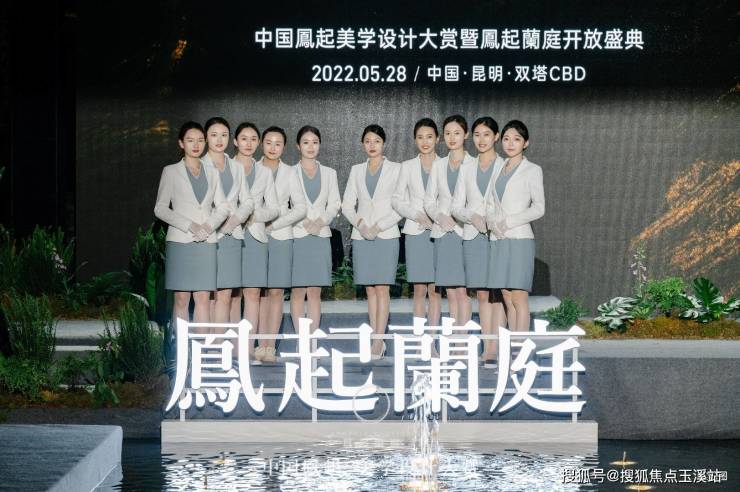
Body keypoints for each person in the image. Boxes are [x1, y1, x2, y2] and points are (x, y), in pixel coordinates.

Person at [154, 121, 229, 325]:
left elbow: (223, 207)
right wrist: (190, 225)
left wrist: (208, 226)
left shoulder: (213, 172)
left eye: (200, 140)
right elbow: (160, 208)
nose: (196, 145)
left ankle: (201, 345)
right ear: (181, 143)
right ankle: (180, 345)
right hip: (180, 241)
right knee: (181, 298)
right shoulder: (171, 171)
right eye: (190, 140)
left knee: (203, 298)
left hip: (207, 242)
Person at [342, 124, 401, 359]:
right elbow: (347, 205)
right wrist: (361, 225)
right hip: (362, 235)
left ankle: (378, 341)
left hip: (386, 234)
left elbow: (401, 205)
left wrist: (378, 226)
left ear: (384, 143)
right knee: (370, 289)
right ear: (362, 144)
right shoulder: (356, 170)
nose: (372, 145)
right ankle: (377, 338)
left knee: (382, 288)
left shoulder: (396, 169)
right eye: (367, 141)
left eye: (376, 141)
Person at [452, 116, 507, 362]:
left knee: (498, 293)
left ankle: (497, 346)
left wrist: (493, 219)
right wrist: (472, 216)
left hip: (499, 235)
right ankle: (487, 347)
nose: (481, 140)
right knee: (483, 294)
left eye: (486, 134)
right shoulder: (467, 167)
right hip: (473, 236)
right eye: (477, 135)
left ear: (496, 137)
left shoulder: (505, 165)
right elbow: (456, 206)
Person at [486, 120, 545, 332]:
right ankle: (511, 346)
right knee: (506, 295)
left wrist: (508, 222)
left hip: (520, 239)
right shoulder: (497, 168)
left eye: (517, 139)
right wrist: (492, 223)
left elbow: (539, 208)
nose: (510, 143)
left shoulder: (532, 170)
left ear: (525, 143)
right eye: (507, 139)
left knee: (519, 296)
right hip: (499, 238)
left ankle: (521, 347)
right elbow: (490, 203)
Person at [256, 126, 307, 363]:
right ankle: (258, 343)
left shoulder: (290, 173)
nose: (273, 147)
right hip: (254, 236)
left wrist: (274, 224)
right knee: (258, 293)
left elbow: (300, 208)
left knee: (276, 292)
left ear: (284, 147)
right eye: (268, 142)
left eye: (278, 143)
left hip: (281, 236)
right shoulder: (252, 168)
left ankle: (270, 346)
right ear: (261, 144)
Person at [233, 122, 279, 360]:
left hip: (255, 237)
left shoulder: (264, 172)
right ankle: (232, 348)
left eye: (253, 139)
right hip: (228, 235)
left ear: (258, 143)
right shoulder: (224, 168)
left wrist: (253, 215)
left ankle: (249, 349)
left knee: (252, 293)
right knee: (230, 295)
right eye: (244, 138)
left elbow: (274, 208)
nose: (248, 143)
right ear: (235, 141)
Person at [201, 117, 254, 324]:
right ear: (206, 137)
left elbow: (248, 201)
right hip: (206, 235)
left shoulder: (236, 167)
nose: (219, 140)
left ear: (230, 138)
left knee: (225, 295)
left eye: (223, 135)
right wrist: (215, 222)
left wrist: (235, 220)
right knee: (207, 296)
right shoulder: (199, 165)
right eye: (214, 135)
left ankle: (219, 343)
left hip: (232, 236)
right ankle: (204, 342)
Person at [424, 115, 475, 325]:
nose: (452, 138)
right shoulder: (438, 165)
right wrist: (440, 216)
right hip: (443, 233)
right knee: (451, 292)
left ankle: (463, 339)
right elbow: (429, 201)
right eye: (447, 133)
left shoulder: (474, 164)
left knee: (463, 291)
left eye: (457, 133)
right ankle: (454, 337)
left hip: (466, 233)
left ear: (466, 134)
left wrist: (463, 216)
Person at [290, 126, 341, 333]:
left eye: (315, 142)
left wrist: (319, 222)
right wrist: (304, 222)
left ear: (320, 145)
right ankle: (300, 341)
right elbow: (285, 205)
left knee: (314, 292)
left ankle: (311, 342)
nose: (311, 146)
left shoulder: (329, 173)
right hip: (297, 236)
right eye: (306, 142)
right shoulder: (289, 172)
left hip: (320, 236)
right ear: (298, 146)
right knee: (297, 292)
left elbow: (335, 203)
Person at [392, 118, 441, 327]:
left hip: (440, 232)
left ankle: (433, 336)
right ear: (415, 140)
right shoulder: (407, 166)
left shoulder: (446, 164)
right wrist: (417, 215)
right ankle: (422, 339)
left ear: (437, 139)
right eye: (420, 137)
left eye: (429, 137)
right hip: (415, 232)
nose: (425, 141)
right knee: (419, 289)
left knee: (436, 290)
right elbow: (396, 200)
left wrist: (436, 217)